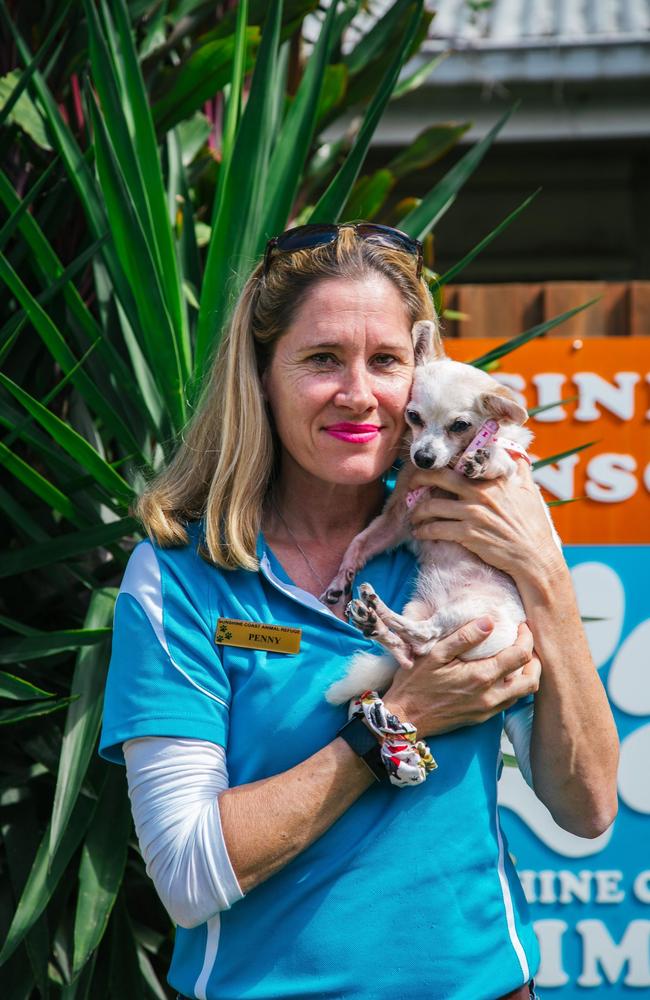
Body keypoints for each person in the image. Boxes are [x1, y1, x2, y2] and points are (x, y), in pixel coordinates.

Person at [100, 223, 618, 1000]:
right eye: (320, 360)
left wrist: (544, 575)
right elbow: (187, 873)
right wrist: (395, 723)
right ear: (261, 376)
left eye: (386, 361)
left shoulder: (462, 539)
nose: (360, 394)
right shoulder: (182, 579)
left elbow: (586, 808)